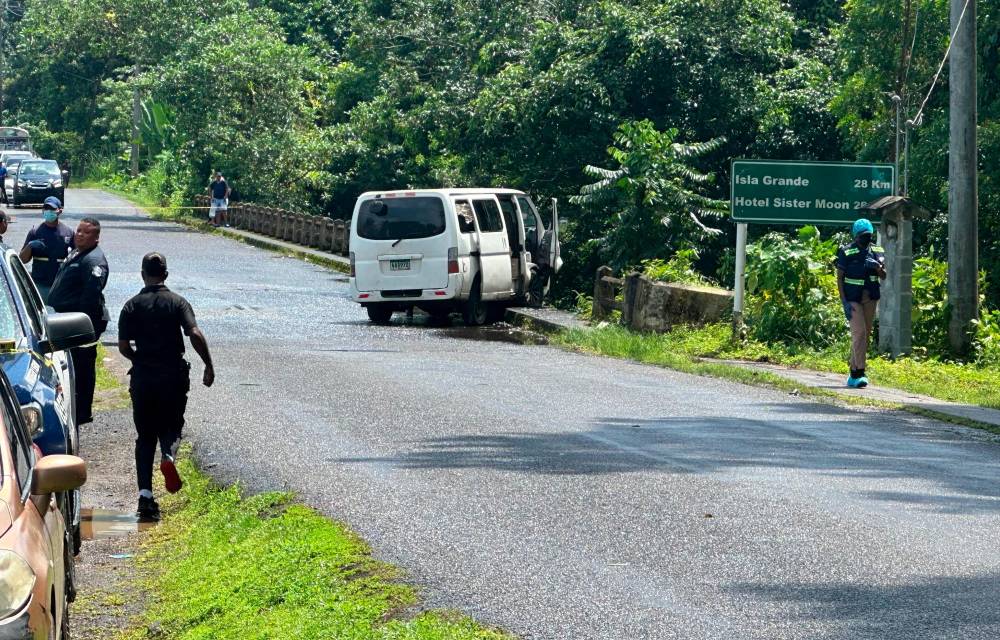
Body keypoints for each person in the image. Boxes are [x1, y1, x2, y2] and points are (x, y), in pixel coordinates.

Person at [118, 253, 214, 520]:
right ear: (166, 275)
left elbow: (124, 347)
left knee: (144, 435)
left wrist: (141, 361)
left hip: (143, 378)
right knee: (171, 427)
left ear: (142, 274)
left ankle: (145, 497)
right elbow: (194, 333)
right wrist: (208, 364)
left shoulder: (131, 306)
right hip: (172, 375)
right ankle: (168, 457)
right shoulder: (178, 302)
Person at [47, 217, 109, 425]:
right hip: (66, 319)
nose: (80, 235)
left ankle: (82, 412)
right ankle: (73, 406)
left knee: (82, 368)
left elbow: (90, 298)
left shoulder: (94, 260)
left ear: (96, 237)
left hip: (80, 323)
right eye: (79, 231)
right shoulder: (77, 251)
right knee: (70, 364)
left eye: (86, 232)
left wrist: (78, 324)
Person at [835, 218, 886, 388]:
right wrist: (844, 302)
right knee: (859, 333)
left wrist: (878, 268)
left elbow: (884, 276)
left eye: (868, 235)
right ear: (856, 236)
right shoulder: (847, 252)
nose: (865, 239)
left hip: (870, 297)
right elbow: (840, 278)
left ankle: (852, 373)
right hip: (853, 299)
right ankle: (860, 373)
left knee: (865, 335)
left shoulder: (877, 250)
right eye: (862, 236)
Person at [20, 196, 75, 301]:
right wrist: (30, 246)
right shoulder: (35, 232)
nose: (49, 211)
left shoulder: (68, 232)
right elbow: (22, 259)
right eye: (46, 208)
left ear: (60, 211)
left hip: (60, 284)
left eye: (52, 209)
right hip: (40, 283)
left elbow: (77, 257)